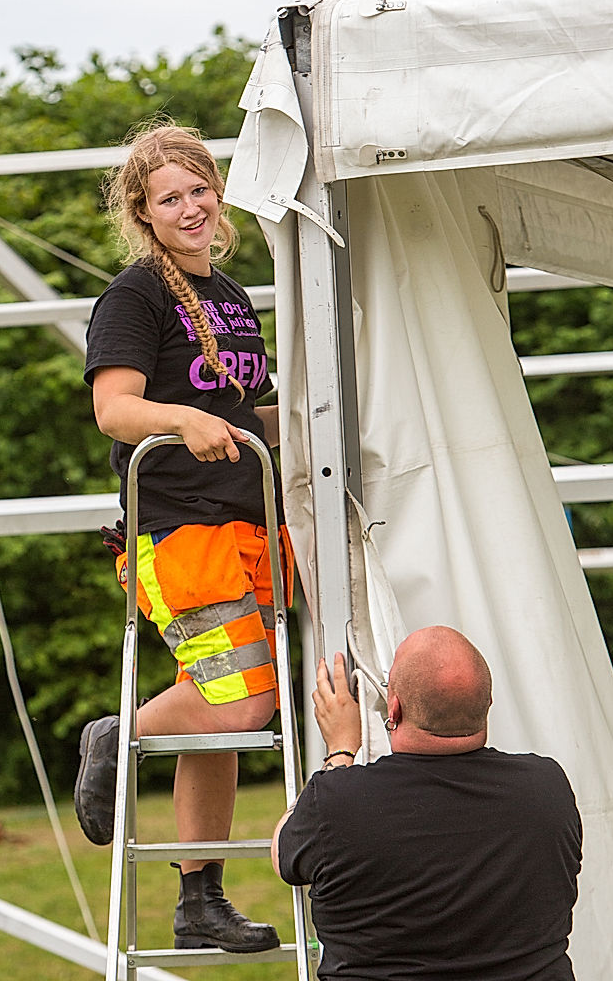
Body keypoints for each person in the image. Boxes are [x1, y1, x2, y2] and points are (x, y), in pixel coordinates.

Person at [74, 121, 293, 954]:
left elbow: (248, 416)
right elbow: (115, 408)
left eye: (200, 189)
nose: (192, 207)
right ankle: (115, 734)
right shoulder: (135, 297)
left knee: (227, 713)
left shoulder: (232, 299)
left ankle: (200, 900)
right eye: (171, 198)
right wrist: (183, 418)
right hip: (180, 526)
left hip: (247, 520)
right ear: (144, 211)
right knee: (240, 702)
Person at [273, 627, 583, 980]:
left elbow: (283, 854)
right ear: (488, 704)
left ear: (394, 706)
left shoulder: (337, 803)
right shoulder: (547, 788)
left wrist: (341, 750)